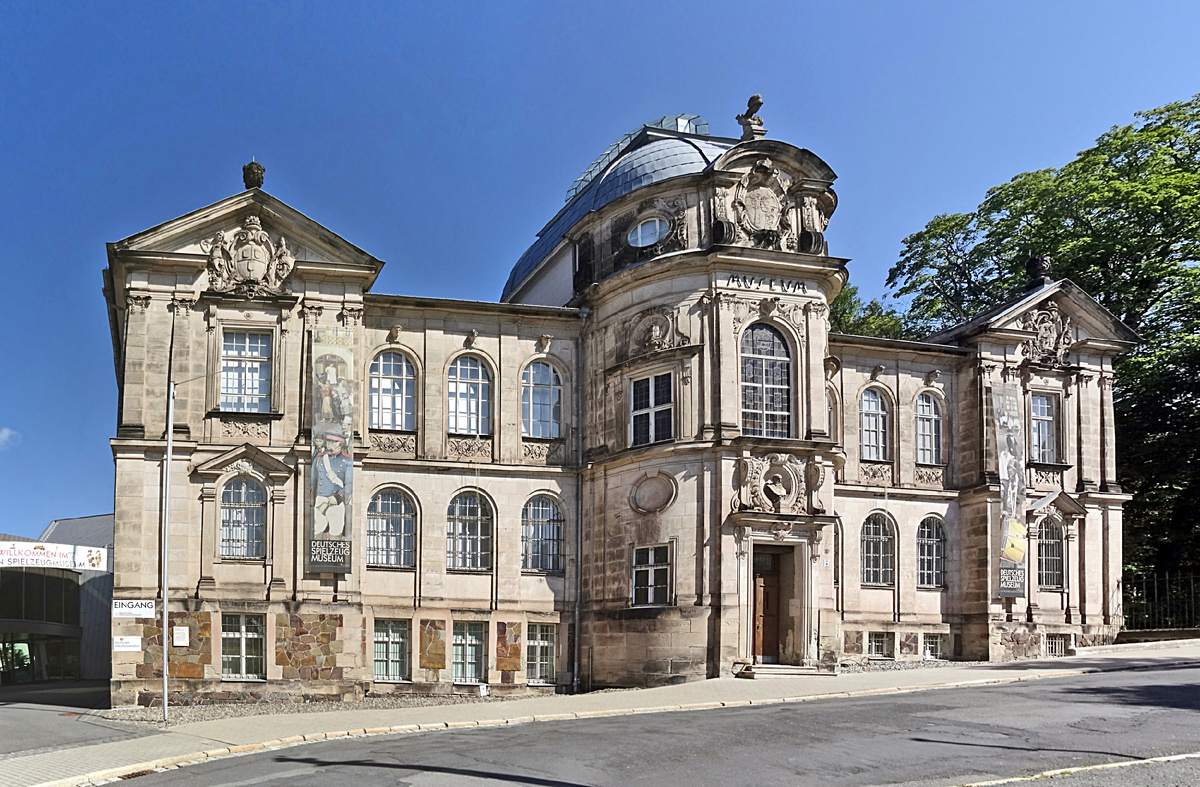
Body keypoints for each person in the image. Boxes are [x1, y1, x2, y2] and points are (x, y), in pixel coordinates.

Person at [313, 433, 352, 538]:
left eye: (333, 443)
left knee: (336, 531)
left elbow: (350, 484)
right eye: (328, 443)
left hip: (336, 501)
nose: (329, 446)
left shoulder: (347, 460)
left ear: (340, 445)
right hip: (320, 499)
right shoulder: (320, 458)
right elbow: (312, 479)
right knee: (317, 530)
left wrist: (339, 496)